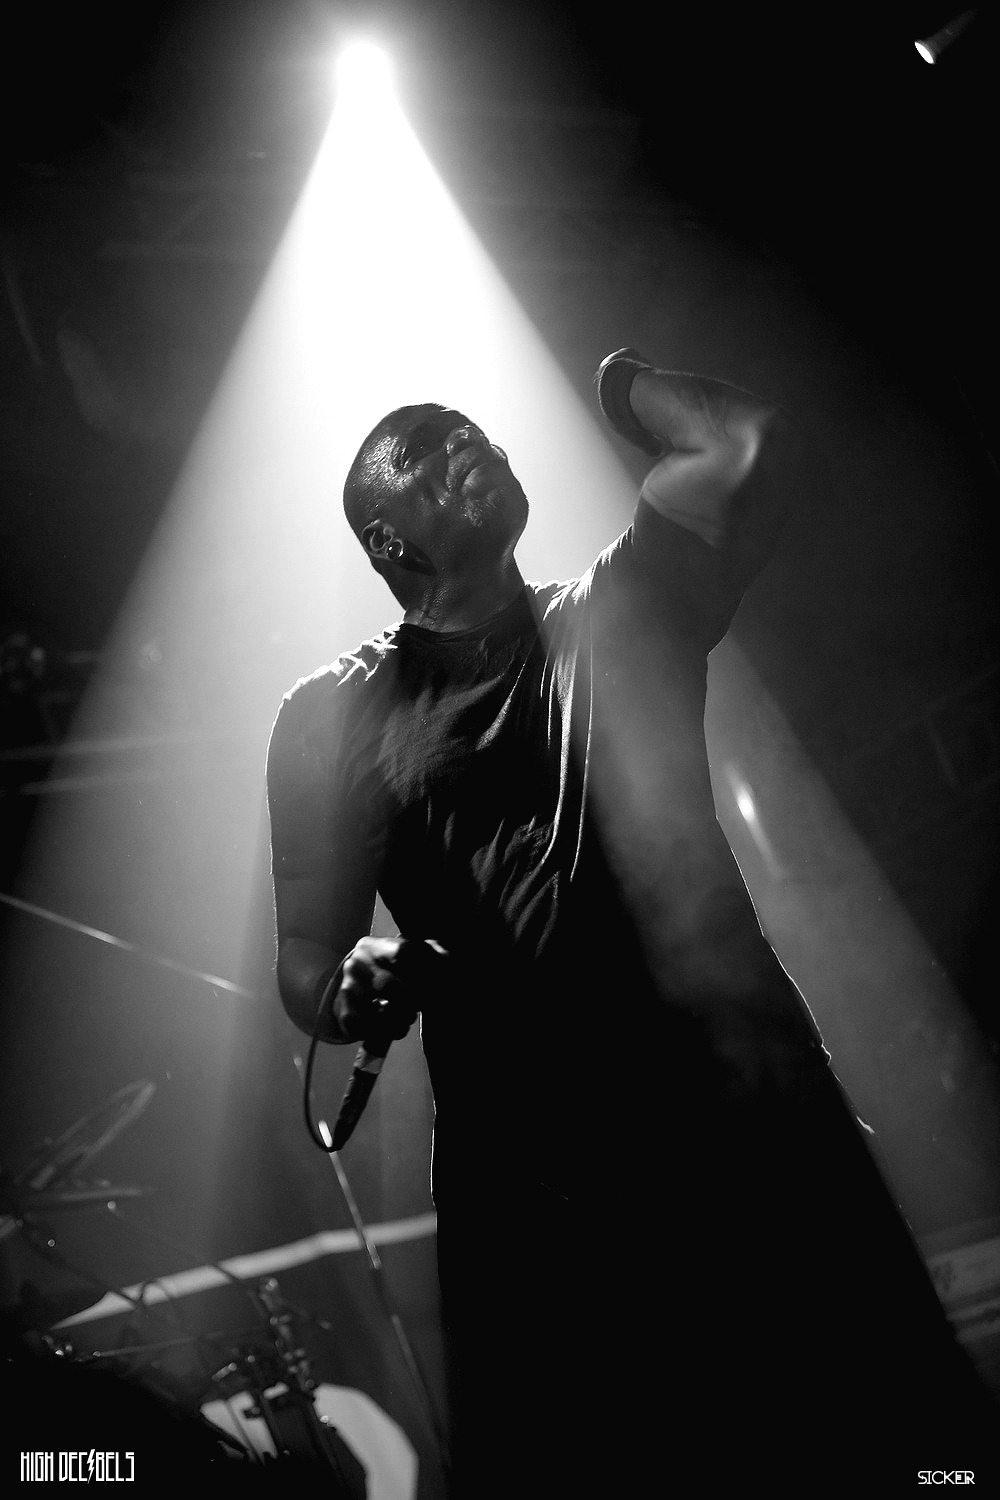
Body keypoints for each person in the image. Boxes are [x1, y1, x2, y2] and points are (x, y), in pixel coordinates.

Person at [267, 351, 995, 1495]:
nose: (471, 442)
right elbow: (306, 957)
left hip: (749, 1132)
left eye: (475, 431)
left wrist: (613, 382)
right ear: (387, 543)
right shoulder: (330, 718)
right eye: (431, 448)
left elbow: (742, 443)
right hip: (539, 1198)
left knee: (896, 1453)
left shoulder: (620, 610)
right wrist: (346, 986)